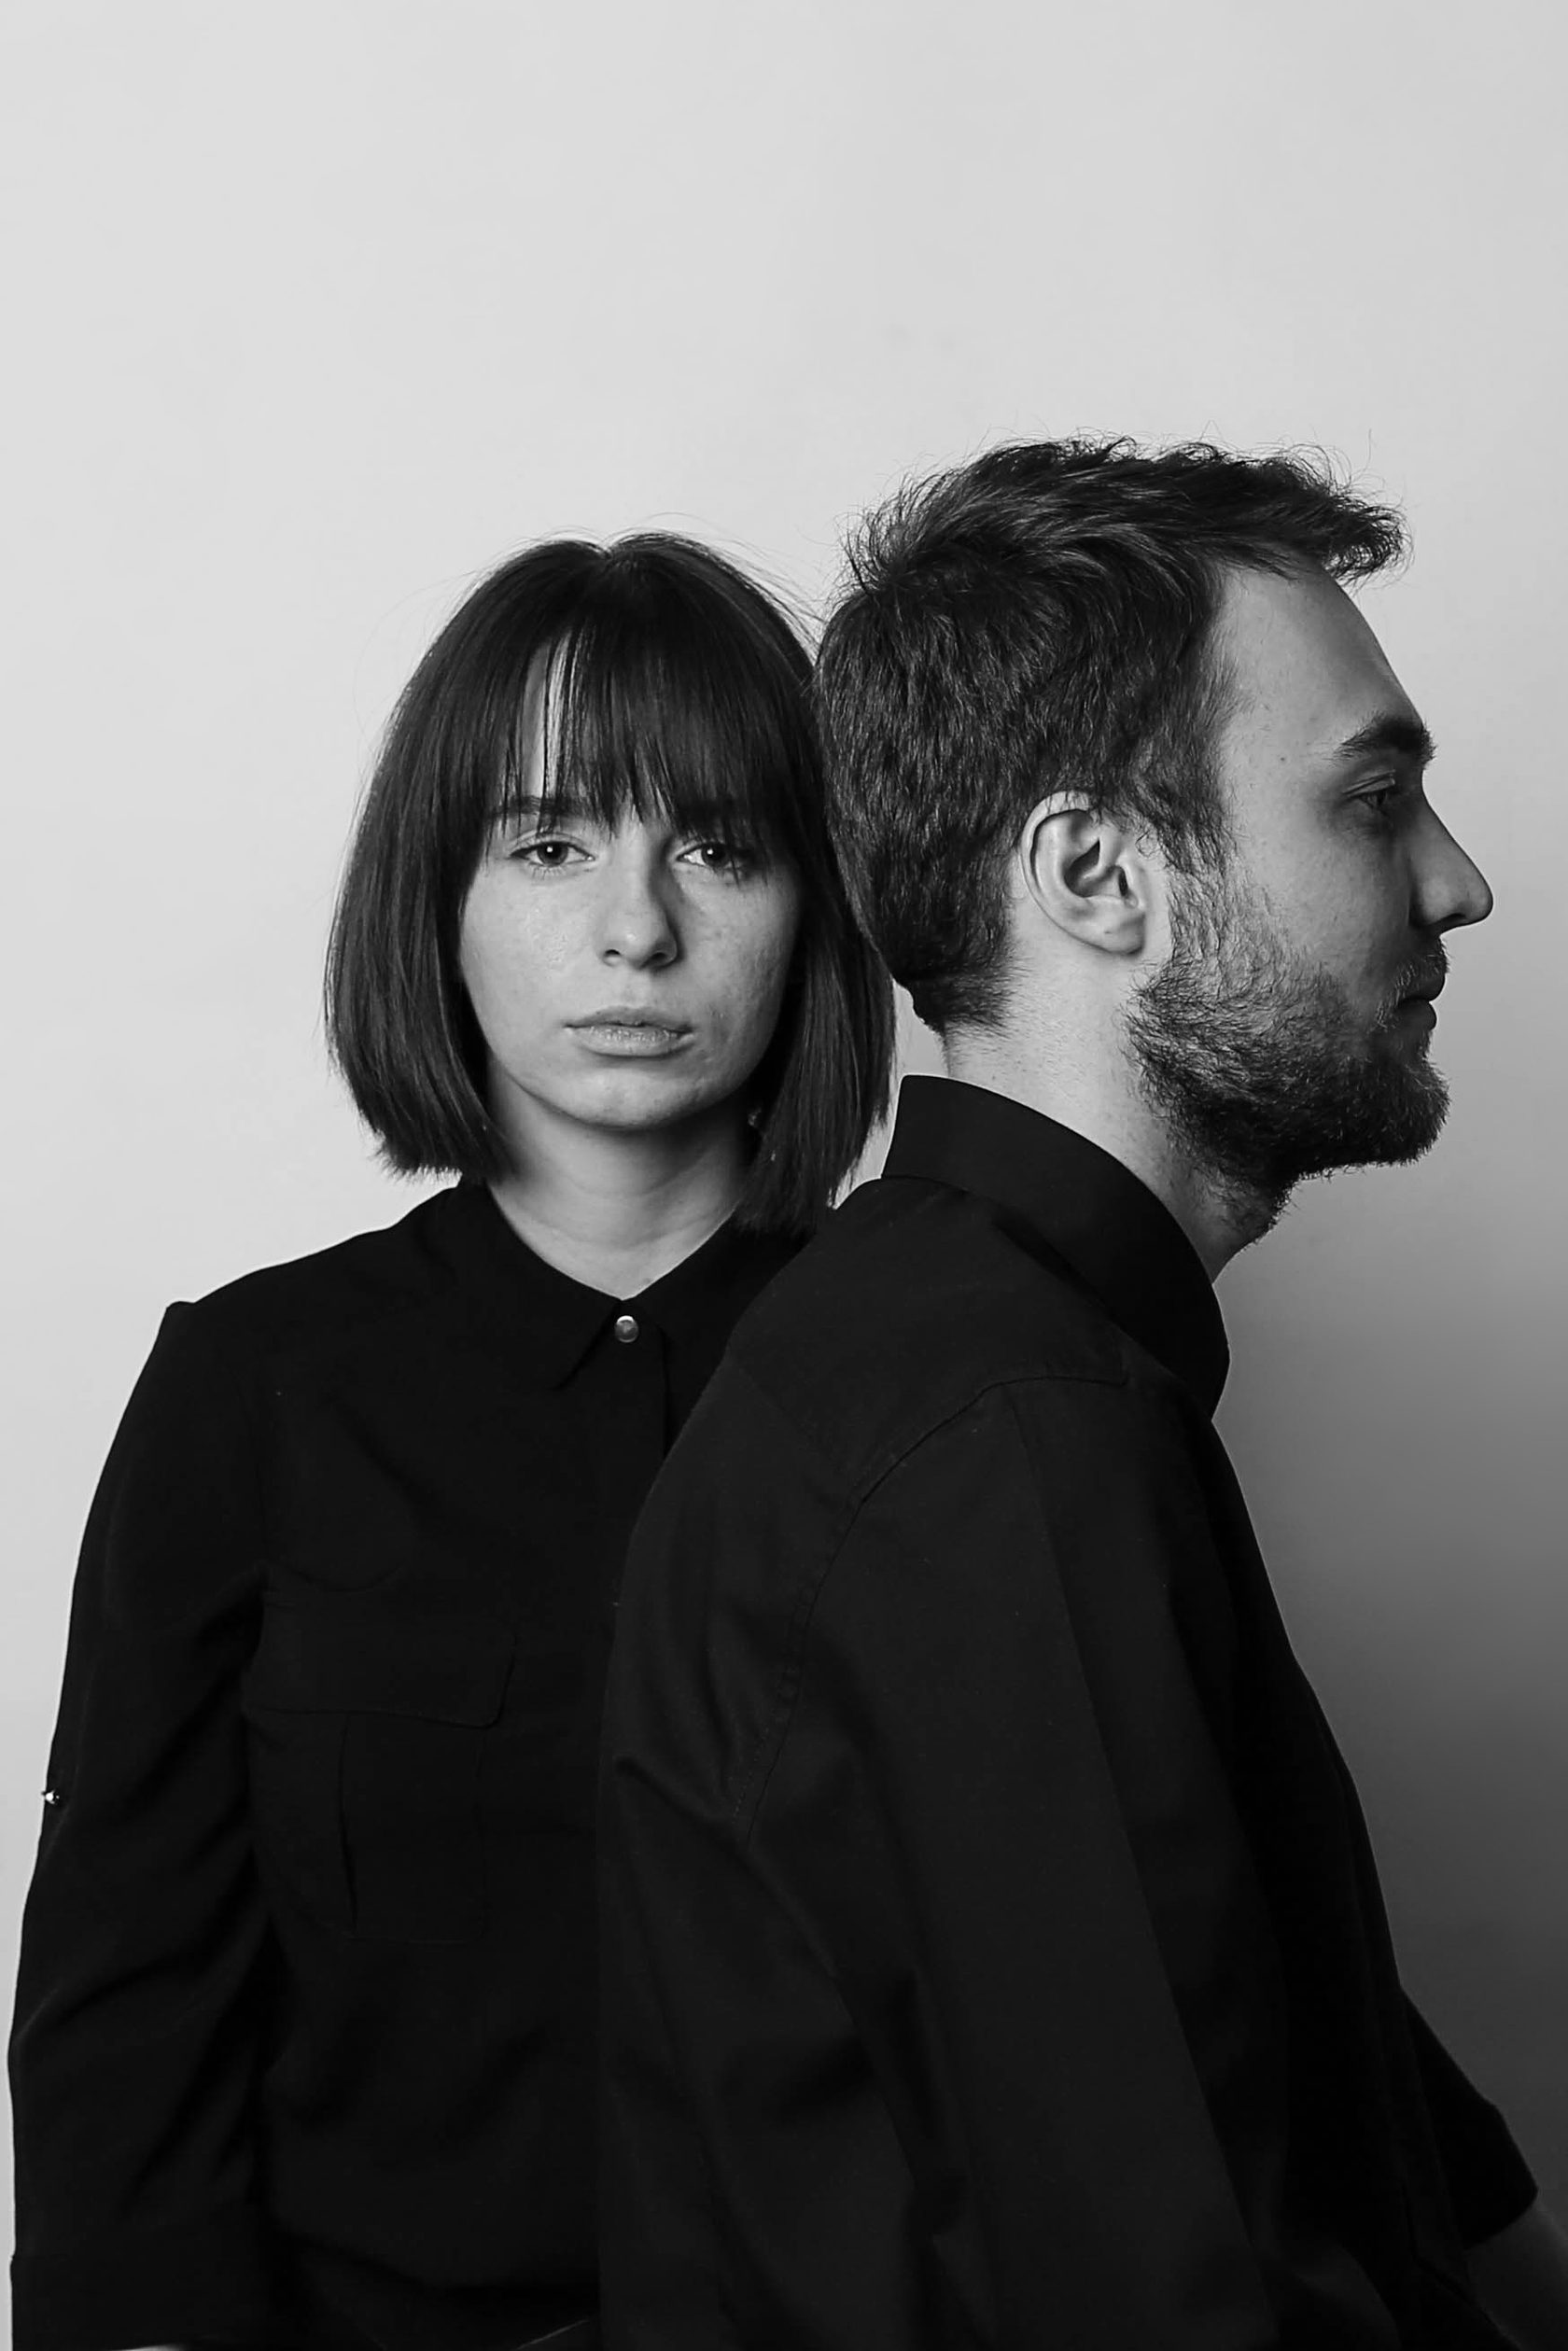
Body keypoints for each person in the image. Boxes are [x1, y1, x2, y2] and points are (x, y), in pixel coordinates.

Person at [598, 443, 1568, 2349]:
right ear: (1098, 877)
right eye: (1373, 799)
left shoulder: (964, 1362)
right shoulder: (1006, 1443)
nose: (1458, 884)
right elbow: (1180, 2295)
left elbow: (1292, 2046)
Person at [9, 532, 893, 2351]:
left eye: (719, 848)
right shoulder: (253, 1386)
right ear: (439, 893)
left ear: (821, 904)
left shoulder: (942, 1371)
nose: (637, 931)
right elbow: (127, 1994)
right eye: (551, 845)